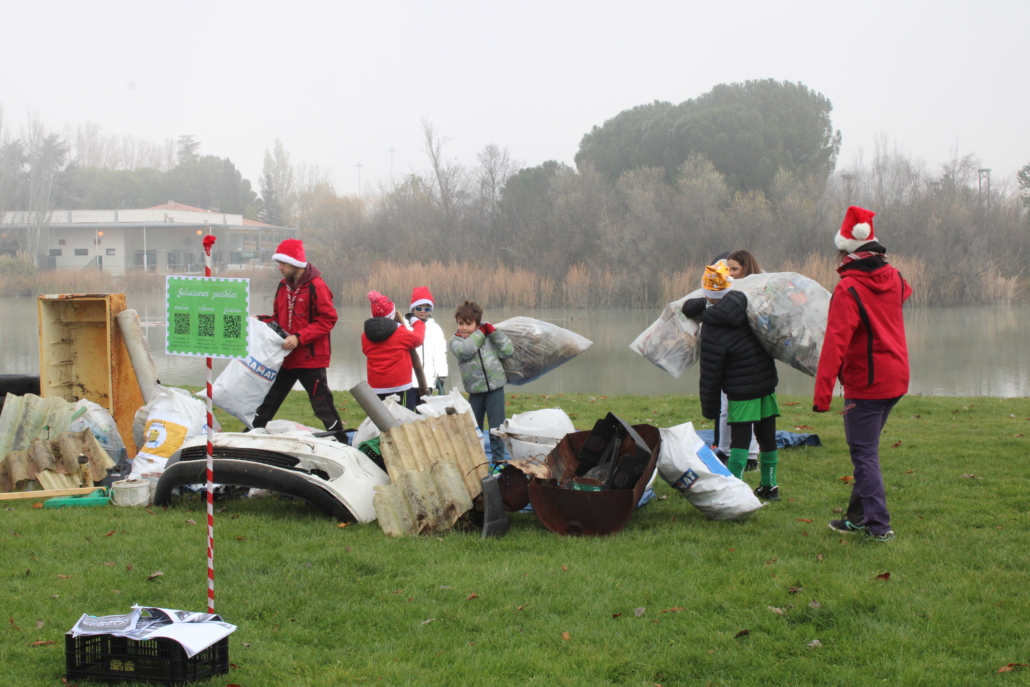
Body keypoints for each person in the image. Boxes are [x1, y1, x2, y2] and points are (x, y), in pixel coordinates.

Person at [815, 206, 911, 542]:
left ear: (845, 252)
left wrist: (822, 396)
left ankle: (878, 526)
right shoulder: (895, 277)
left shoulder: (848, 288)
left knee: (864, 455)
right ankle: (857, 518)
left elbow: (833, 345)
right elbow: (904, 293)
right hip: (896, 378)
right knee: (867, 448)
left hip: (867, 384)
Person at [682, 261, 781, 500]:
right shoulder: (746, 303)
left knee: (739, 441)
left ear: (707, 294)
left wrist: (710, 409)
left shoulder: (713, 328)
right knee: (767, 436)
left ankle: (734, 489)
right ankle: (770, 487)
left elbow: (710, 374)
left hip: (740, 389)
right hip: (766, 384)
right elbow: (691, 305)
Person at [253, 238, 346, 440]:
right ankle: (251, 434)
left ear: (295, 262)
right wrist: (259, 319)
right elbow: (278, 319)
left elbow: (328, 319)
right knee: (270, 399)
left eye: (282, 263)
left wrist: (299, 337)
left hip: (310, 359)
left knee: (321, 403)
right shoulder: (282, 286)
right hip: (286, 357)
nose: (279, 267)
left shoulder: (317, 286)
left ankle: (342, 439)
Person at [714, 249, 764, 471]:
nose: (731, 274)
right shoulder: (728, 289)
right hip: (731, 357)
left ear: (747, 268)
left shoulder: (757, 289)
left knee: (747, 410)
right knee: (726, 409)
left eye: (734, 269)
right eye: (728, 269)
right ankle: (725, 450)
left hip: (747, 360)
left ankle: (750, 455)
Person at [449, 300, 514, 464]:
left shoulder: (488, 337)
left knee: (496, 428)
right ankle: (474, 460)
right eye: (460, 323)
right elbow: (466, 351)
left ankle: (498, 461)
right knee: (474, 428)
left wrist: (494, 332)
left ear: (477, 324)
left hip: (495, 389)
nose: (463, 327)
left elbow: (508, 350)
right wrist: (480, 333)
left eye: (468, 324)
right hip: (475, 391)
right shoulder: (456, 341)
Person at [362, 291, 425, 409]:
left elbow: (366, 351)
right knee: (405, 417)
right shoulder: (400, 332)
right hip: (400, 385)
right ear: (392, 314)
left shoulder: (365, 335)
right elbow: (418, 339)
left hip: (376, 386)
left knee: (383, 418)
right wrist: (417, 322)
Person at [408, 287, 449, 396]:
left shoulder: (435, 328)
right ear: (412, 308)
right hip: (408, 380)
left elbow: (440, 353)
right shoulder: (405, 327)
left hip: (427, 379)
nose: (422, 311)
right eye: (419, 307)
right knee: (408, 410)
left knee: (425, 409)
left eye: (427, 308)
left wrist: (442, 374)